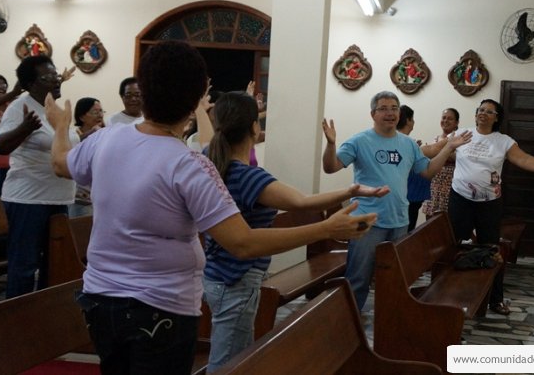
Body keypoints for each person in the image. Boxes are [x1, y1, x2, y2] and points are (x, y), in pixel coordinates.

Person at [45, 40, 376, 375]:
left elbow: (60, 163)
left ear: (142, 90)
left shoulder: (106, 139)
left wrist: (60, 126)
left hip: (101, 299)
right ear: (196, 101)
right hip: (160, 307)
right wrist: (326, 229)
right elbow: (243, 243)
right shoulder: (189, 165)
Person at [203, 91, 389, 372]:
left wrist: (351, 191)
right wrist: (335, 215)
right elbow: (300, 202)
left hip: (215, 274)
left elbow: (301, 202)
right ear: (254, 127)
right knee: (227, 362)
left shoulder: (211, 162)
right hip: (237, 280)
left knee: (230, 353)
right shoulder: (248, 176)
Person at [322, 90, 472, 310]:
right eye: (383, 108)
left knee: (394, 279)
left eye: (394, 108)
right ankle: (349, 324)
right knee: (358, 279)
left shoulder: (408, 144)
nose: (390, 113)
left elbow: (428, 171)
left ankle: (388, 323)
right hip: (366, 221)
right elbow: (330, 167)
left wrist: (448, 147)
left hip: (399, 221)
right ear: (373, 114)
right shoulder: (359, 141)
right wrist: (331, 144)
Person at [447, 98, 534, 316]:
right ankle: (450, 295)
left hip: (489, 203)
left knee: (492, 250)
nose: (483, 113)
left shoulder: (503, 141)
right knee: (453, 246)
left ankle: (495, 299)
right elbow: (438, 149)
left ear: (497, 118)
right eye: (480, 110)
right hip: (460, 199)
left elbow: (524, 159)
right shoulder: (462, 134)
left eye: (489, 111)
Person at [0, 56, 79, 298]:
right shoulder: (20, 107)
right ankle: (16, 316)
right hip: (29, 200)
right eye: (48, 77)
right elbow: (0, 146)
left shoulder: (56, 110)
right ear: (31, 84)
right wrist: (25, 128)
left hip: (59, 198)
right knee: (24, 266)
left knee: (54, 264)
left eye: (56, 75)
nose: (56, 80)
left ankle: (43, 314)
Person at [396, 105, 445, 232]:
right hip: (407, 197)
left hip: (412, 197)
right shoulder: (401, 140)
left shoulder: (406, 141)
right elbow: (433, 149)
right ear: (408, 120)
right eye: (412, 119)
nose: (413, 122)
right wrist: (451, 141)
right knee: (405, 233)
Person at [68, 98, 106, 218]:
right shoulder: (72, 135)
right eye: (95, 112)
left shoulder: (105, 134)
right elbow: (71, 153)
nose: (100, 115)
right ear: (82, 117)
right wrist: (90, 133)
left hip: (101, 200)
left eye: (101, 111)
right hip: (79, 200)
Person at [423, 108, 460, 216]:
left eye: (450, 119)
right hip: (434, 185)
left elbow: (459, 158)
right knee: (431, 219)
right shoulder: (436, 139)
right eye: (443, 118)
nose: (445, 121)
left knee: (449, 220)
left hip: (451, 187)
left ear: (456, 122)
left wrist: (439, 153)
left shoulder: (459, 140)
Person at [0, 74, 23, 196]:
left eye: (3, 85)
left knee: (8, 199)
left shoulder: (12, 105)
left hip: (13, 163)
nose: (0, 87)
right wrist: (13, 93)